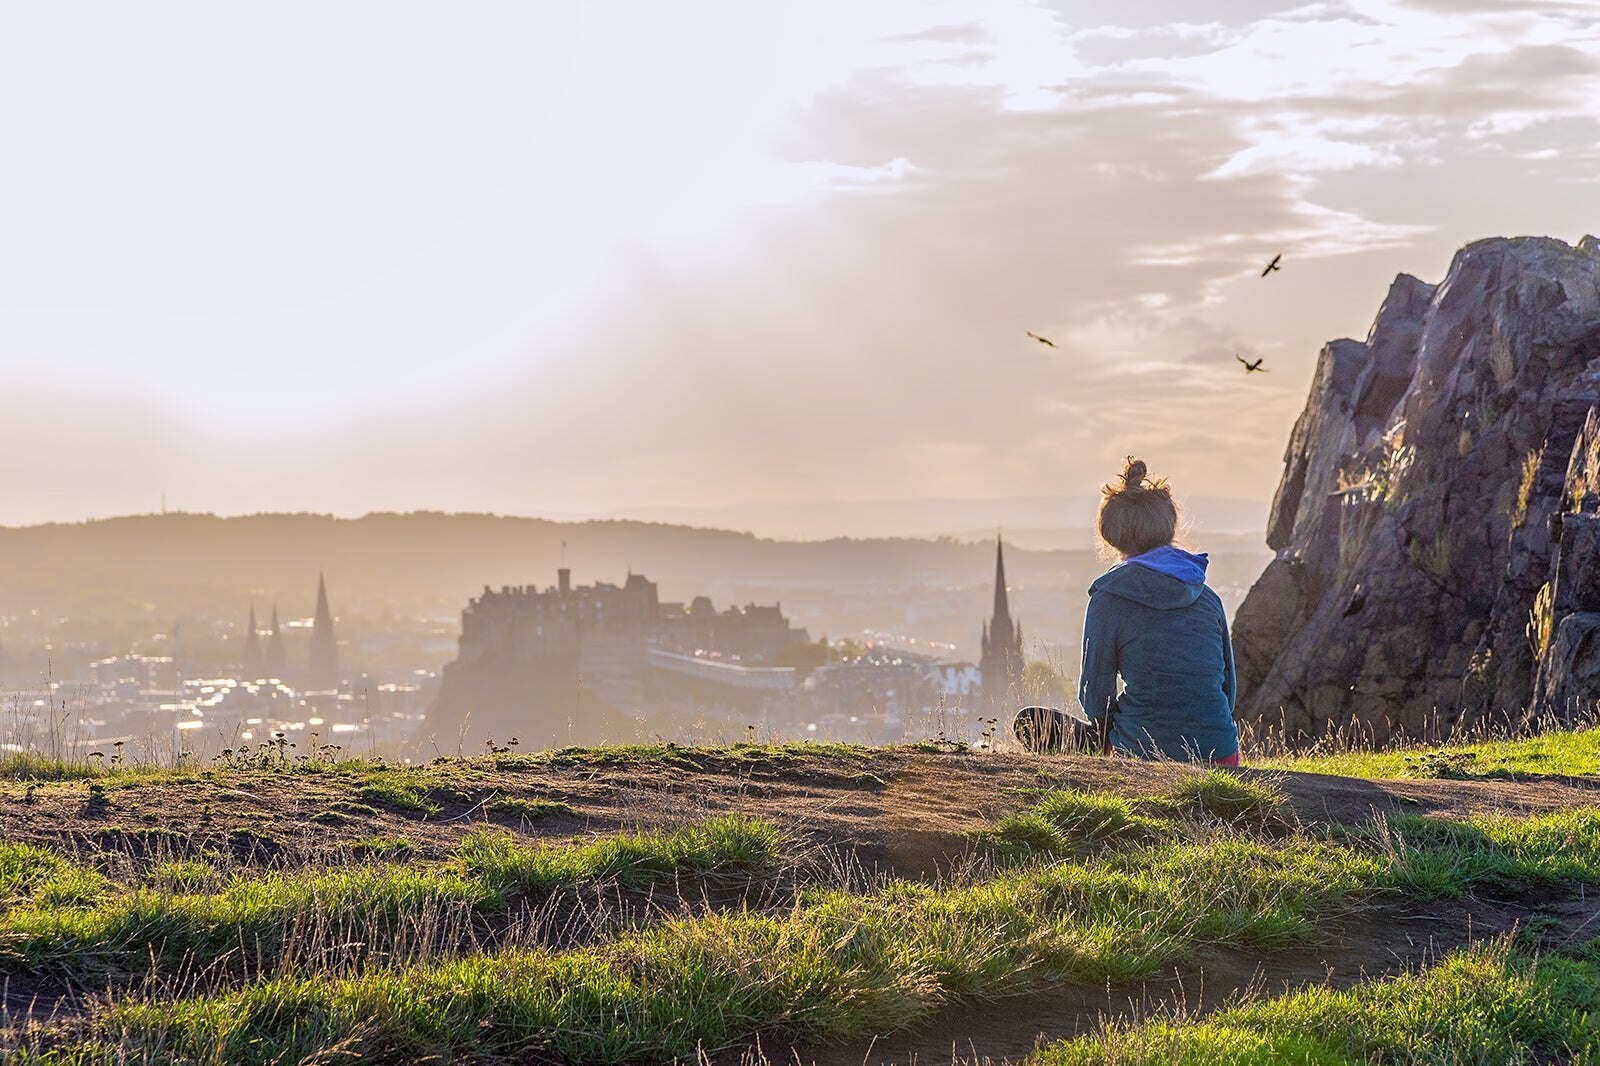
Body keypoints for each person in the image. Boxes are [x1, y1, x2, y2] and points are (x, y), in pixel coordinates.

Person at [1077, 456, 1240, 764]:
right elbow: (1227, 691)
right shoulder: (1207, 598)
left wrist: (1120, 734)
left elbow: (1096, 697)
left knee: (1033, 721)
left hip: (1140, 754)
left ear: (1111, 535)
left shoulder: (1108, 600)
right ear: (1168, 527)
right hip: (1220, 754)